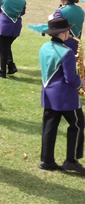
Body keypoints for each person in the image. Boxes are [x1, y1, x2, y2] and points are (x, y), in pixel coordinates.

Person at [37, 17, 85, 173]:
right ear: (63, 33)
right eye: (68, 31)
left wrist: (71, 61)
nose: (69, 33)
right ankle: (71, 160)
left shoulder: (45, 47)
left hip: (48, 93)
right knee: (77, 124)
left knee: (49, 127)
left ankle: (46, 161)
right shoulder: (67, 52)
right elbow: (71, 78)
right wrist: (81, 82)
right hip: (65, 97)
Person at [0, 0, 26, 78]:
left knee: (1, 51)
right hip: (16, 28)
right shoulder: (22, 1)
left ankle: (1, 72)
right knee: (6, 47)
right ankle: (11, 67)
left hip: (3, 27)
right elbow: (22, 12)